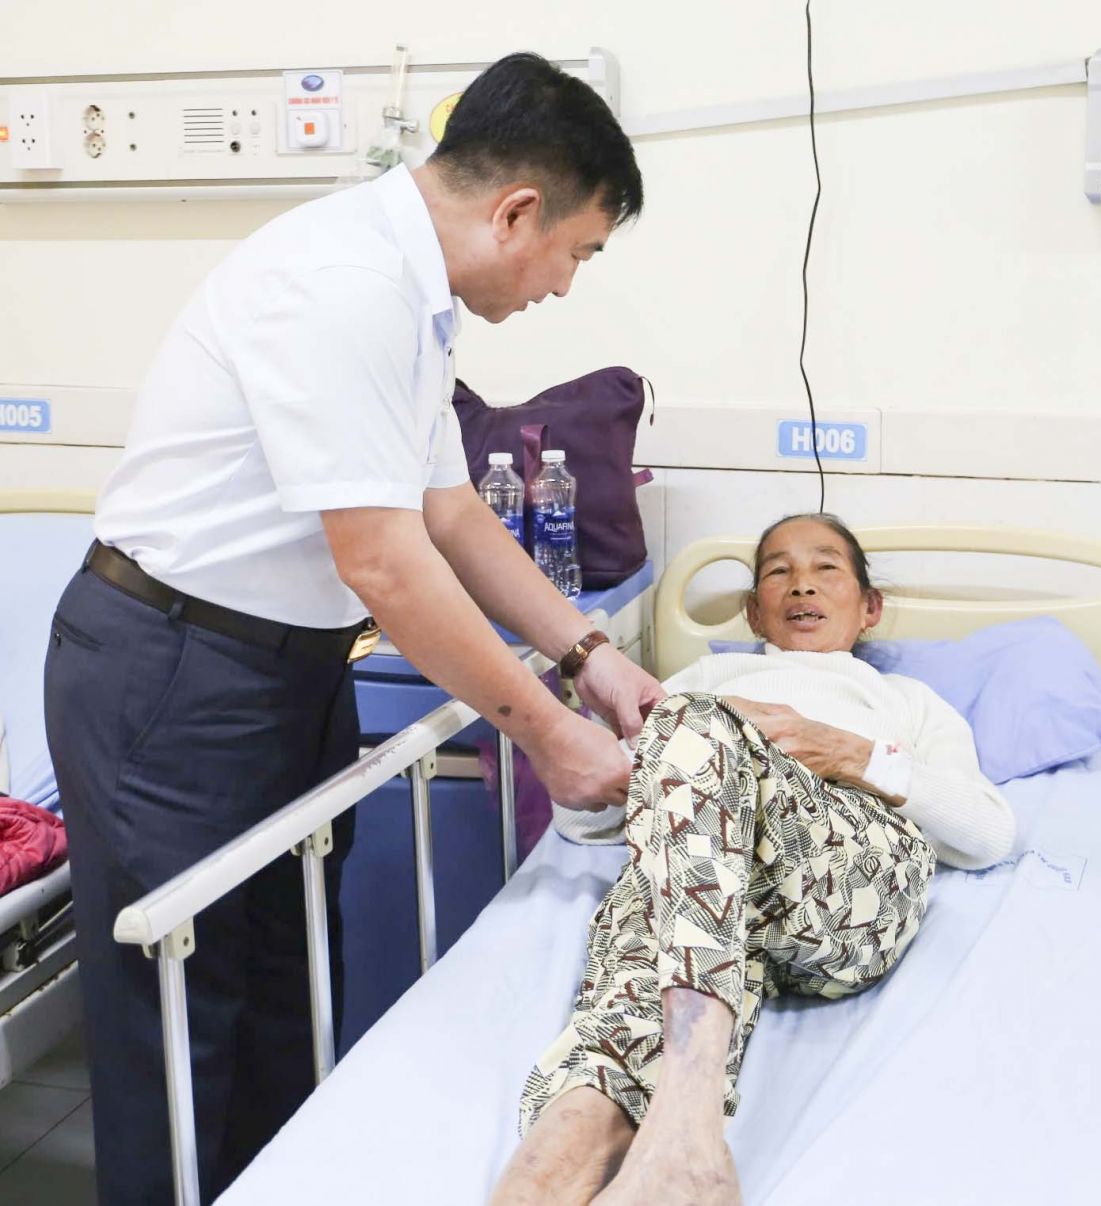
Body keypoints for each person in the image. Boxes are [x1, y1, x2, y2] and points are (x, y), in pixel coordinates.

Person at [42, 52, 664, 1205]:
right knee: (179, 1030)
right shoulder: (345, 282)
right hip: (171, 673)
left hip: (283, 671)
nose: (566, 285)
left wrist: (590, 656)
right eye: (577, 251)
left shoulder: (414, 300)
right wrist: (547, 736)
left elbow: (450, 513)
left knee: (287, 995)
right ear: (517, 212)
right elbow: (383, 561)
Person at [490, 514, 1016, 1206]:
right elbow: (583, 821)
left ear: (869, 606)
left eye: (826, 568)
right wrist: (678, 762)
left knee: (695, 735)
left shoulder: (906, 702)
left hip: (847, 891)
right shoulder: (703, 680)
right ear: (753, 611)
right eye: (778, 571)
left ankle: (688, 1125)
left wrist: (849, 753)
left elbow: (987, 832)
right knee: (646, 932)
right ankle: (550, 1170)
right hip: (715, 914)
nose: (802, 585)